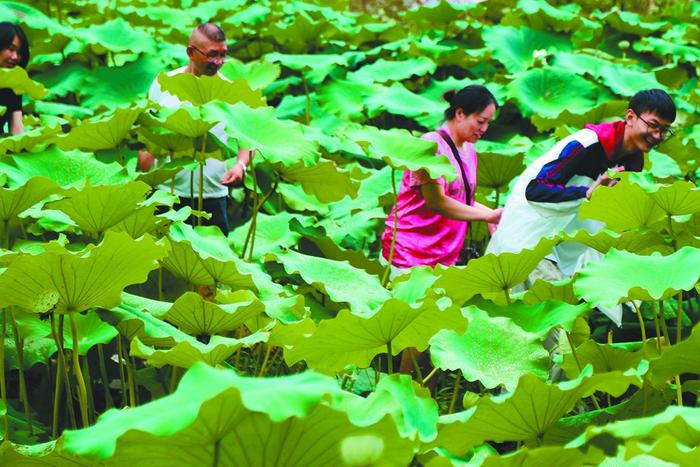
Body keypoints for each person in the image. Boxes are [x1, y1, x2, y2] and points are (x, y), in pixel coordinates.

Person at [487, 89, 677, 280]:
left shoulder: (634, 163)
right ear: (630, 117)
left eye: (664, 130)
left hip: (569, 256)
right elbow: (534, 190)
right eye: (653, 125)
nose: (658, 135)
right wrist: (588, 193)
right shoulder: (586, 143)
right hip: (529, 243)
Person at [137, 23, 252, 235]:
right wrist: (143, 182)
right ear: (191, 52)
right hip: (168, 192)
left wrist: (240, 165)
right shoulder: (164, 84)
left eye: (223, 54)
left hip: (212, 194)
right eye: (212, 54)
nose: (219, 62)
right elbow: (149, 134)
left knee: (213, 264)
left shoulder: (229, 91)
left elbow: (249, 137)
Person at [381, 85, 503, 270]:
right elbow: (436, 201)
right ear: (460, 113)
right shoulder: (432, 144)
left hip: (445, 255)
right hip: (410, 252)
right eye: (480, 121)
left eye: (488, 123)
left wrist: (495, 216)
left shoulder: (469, 149)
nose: (484, 128)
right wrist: (487, 215)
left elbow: (463, 200)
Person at [0, 22, 30, 135]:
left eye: (19, 52)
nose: (15, 57)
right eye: (11, 49)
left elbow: (17, 129)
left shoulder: (14, 83)